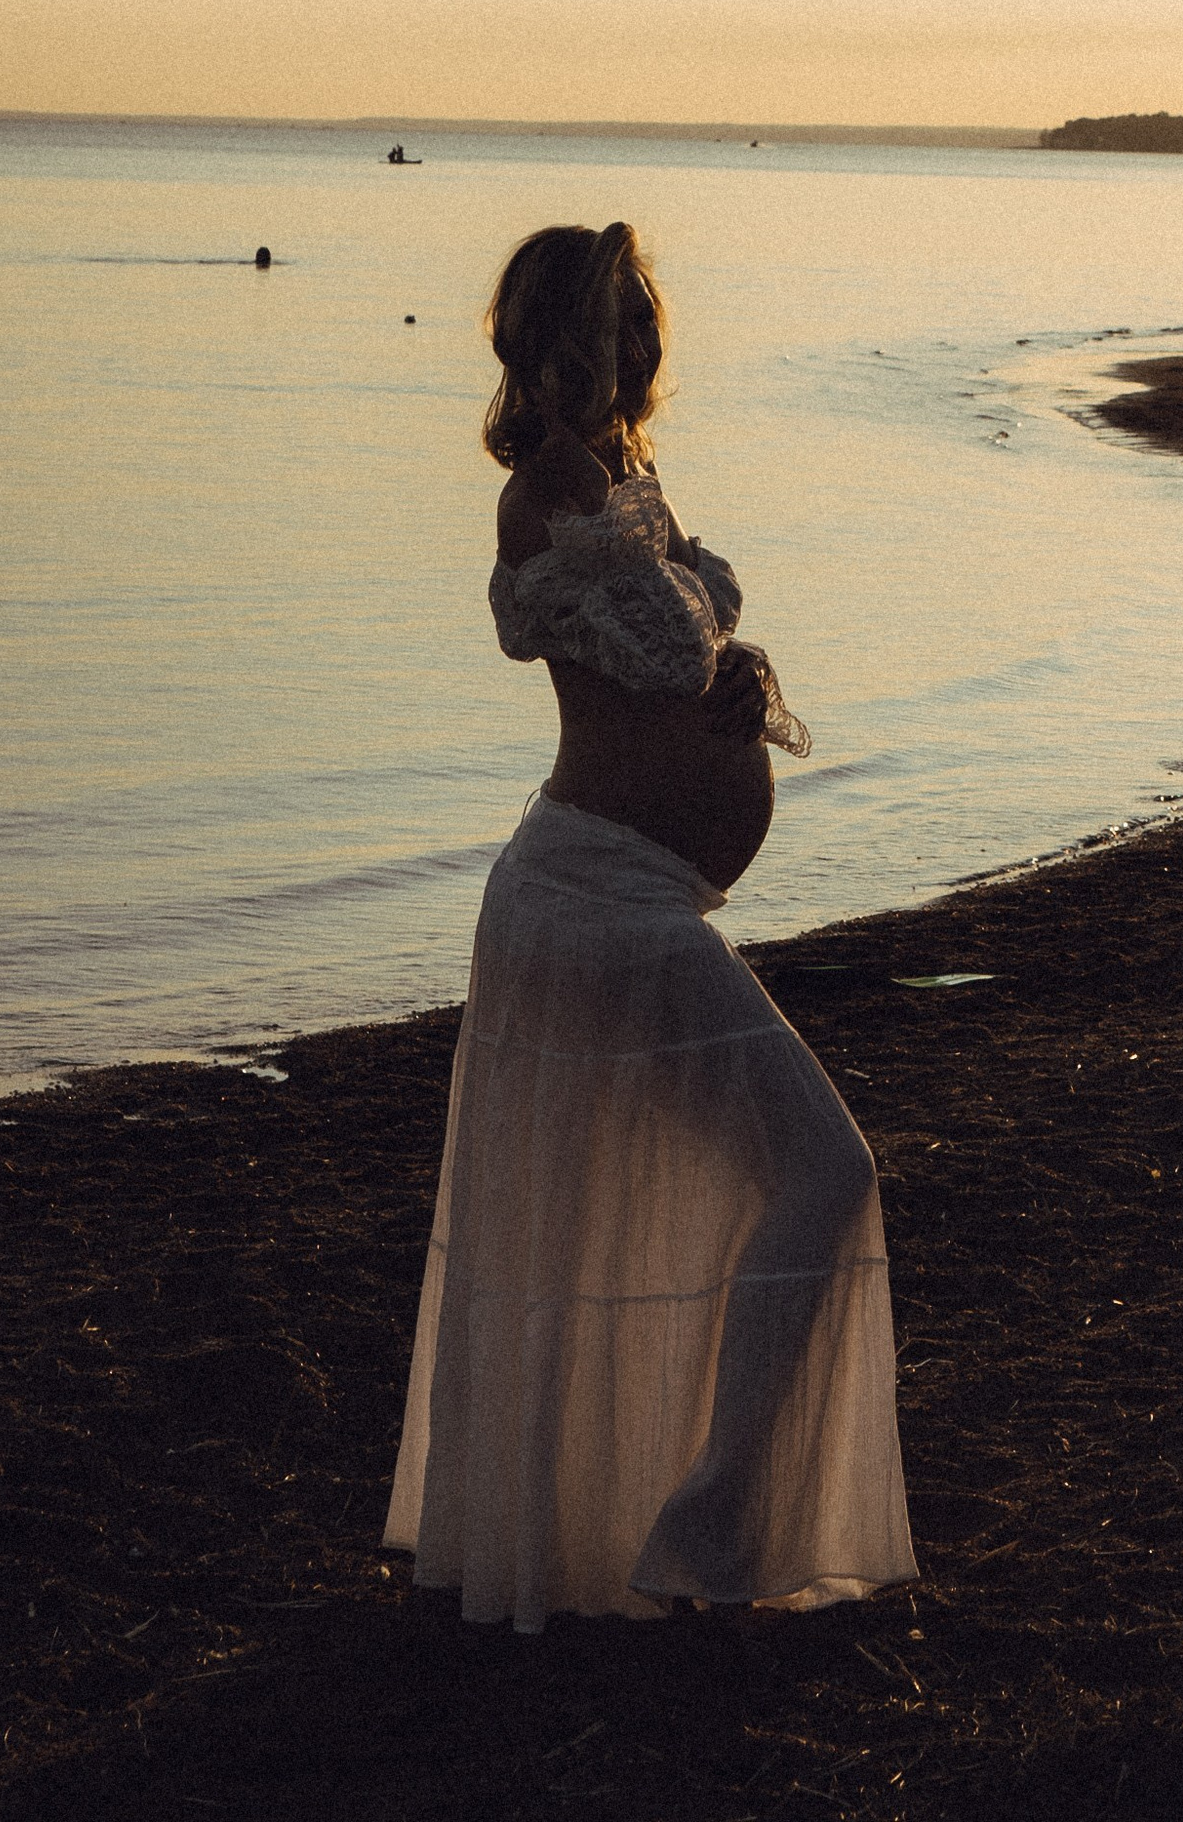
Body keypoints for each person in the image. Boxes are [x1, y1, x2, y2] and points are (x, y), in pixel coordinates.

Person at [386, 222, 914, 1632]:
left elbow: (669, 652)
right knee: (823, 1173)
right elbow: (609, 624)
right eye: (614, 327)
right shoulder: (557, 483)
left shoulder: (628, 481)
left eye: (645, 329)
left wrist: (737, 676)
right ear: (561, 337)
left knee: (782, 1180)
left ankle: (687, 1532)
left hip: (632, 897)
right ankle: (710, 1539)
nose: (639, 351)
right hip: (590, 902)